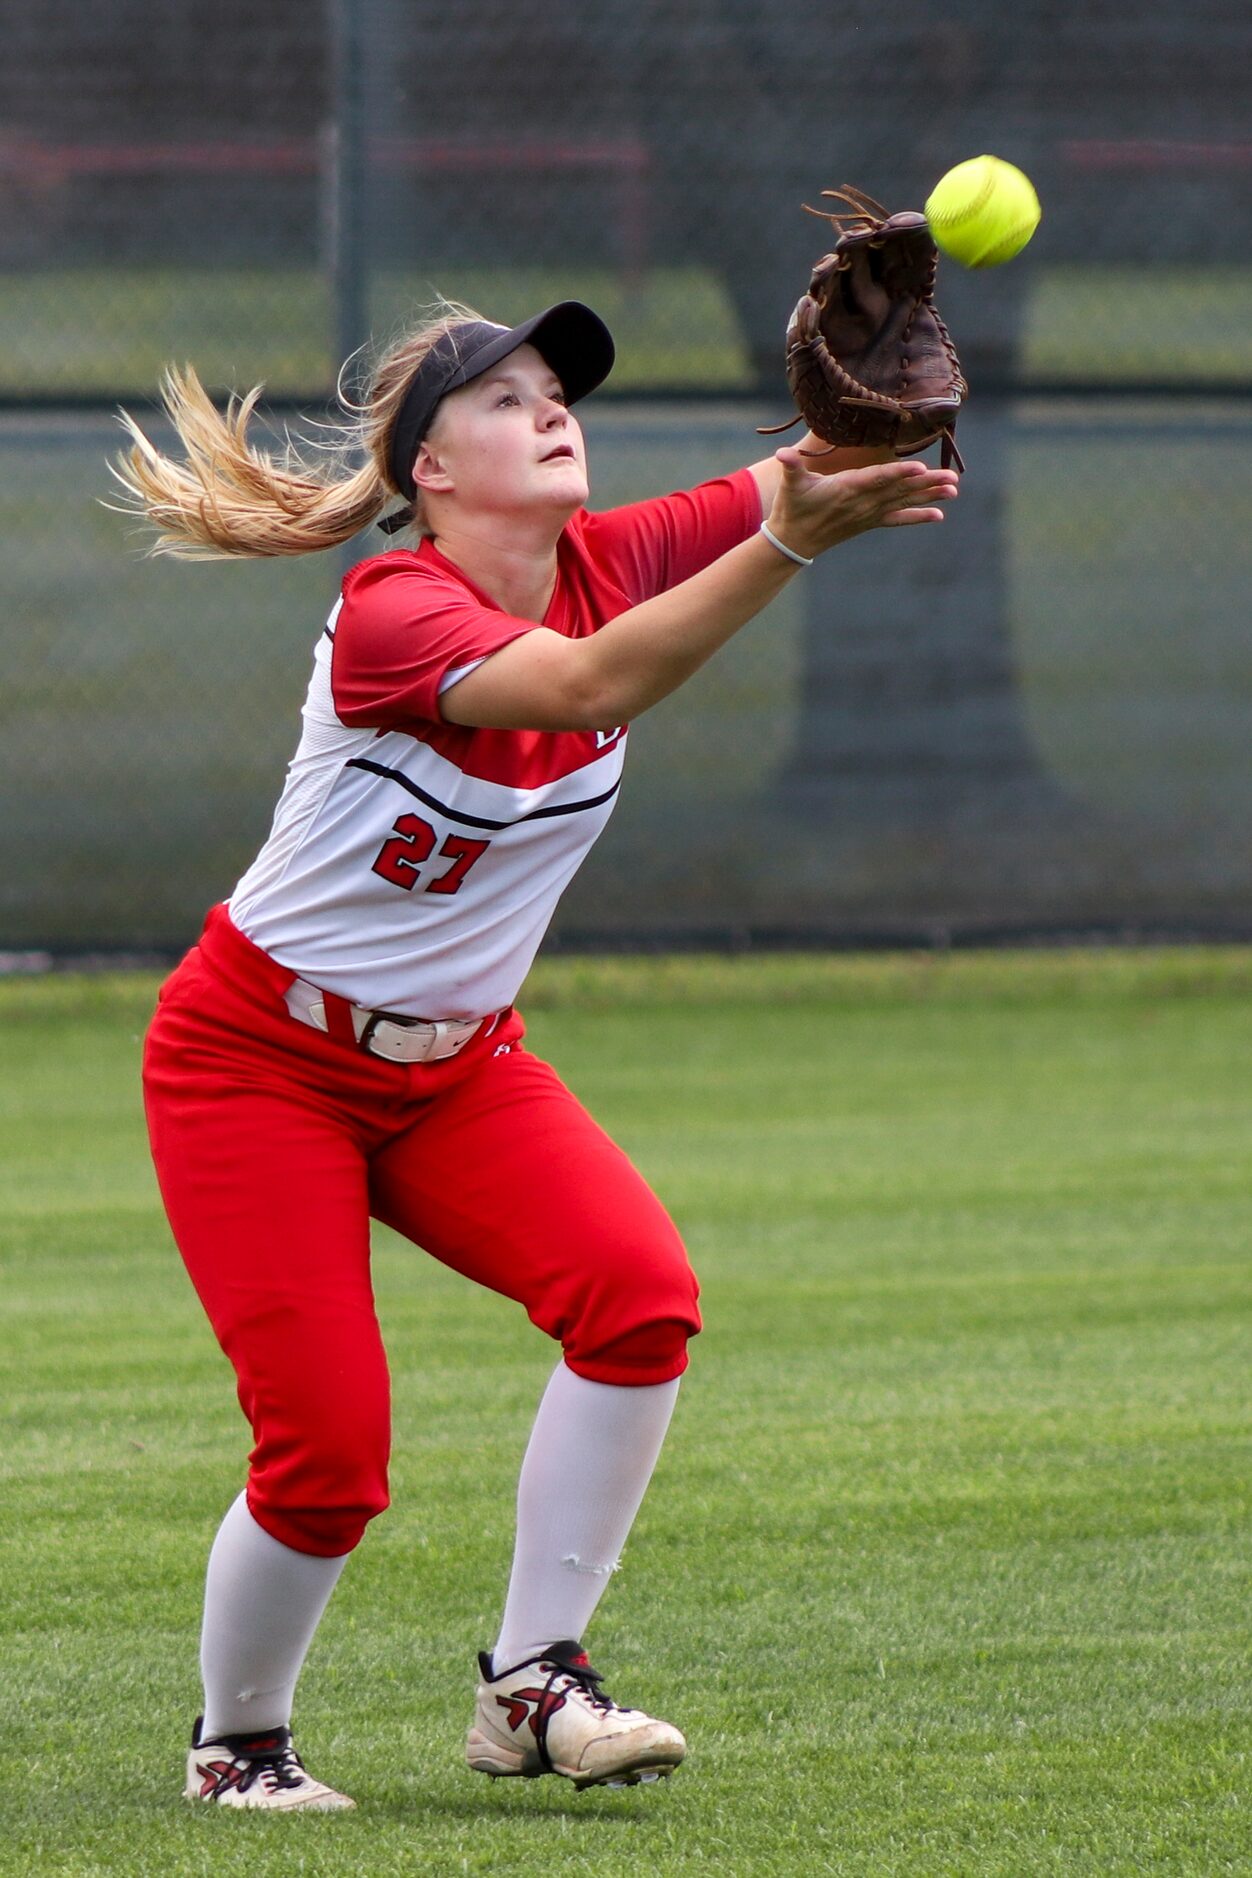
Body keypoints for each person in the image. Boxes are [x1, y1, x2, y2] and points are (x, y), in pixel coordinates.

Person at [114, 299, 957, 1811]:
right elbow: (590, 685)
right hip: (257, 1058)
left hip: (457, 1069)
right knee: (329, 1449)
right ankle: (238, 1745)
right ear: (430, 465)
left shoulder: (607, 558)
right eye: (504, 398)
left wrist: (876, 411)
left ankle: (533, 1679)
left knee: (639, 1299)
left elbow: (789, 481)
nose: (551, 407)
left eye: (556, 388)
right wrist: (794, 545)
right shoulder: (394, 608)